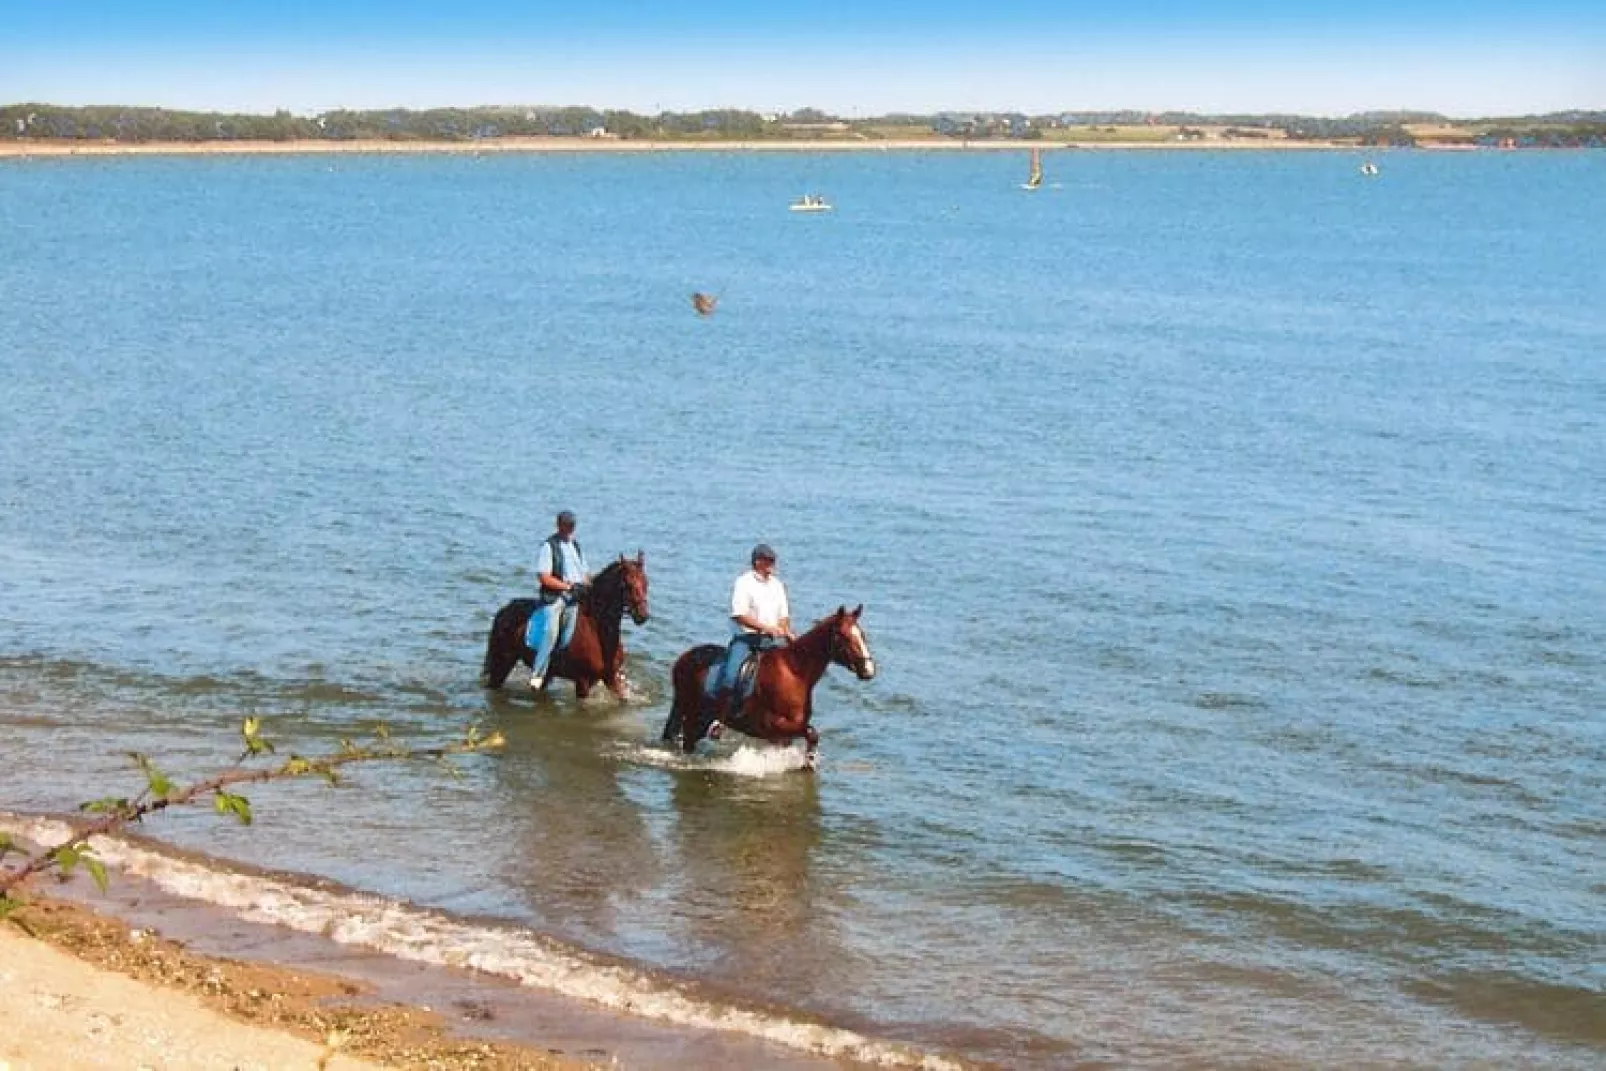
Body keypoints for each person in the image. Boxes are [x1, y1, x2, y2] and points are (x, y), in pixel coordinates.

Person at [705, 543, 793, 715]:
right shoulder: (744, 582)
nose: (773, 565)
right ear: (758, 562)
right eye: (769, 561)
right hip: (746, 640)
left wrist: (784, 630)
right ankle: (720, 718)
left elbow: (783, 615)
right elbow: (739, 615)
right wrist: (767, 627)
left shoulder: (778, 585)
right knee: (731, 676)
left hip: (769, 641)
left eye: (773, 561)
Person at [528, 510, 590, 689]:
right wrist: (568, 586)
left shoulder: (577, 547)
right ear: (559, 525)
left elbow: (585, 575)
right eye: (567, 525)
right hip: (556, 598)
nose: (570, 528)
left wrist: (589, 586)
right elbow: (544, 577)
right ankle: (537, 675)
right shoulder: (549, 547)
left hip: (577, 597)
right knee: (551, 632)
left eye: (572, 525)